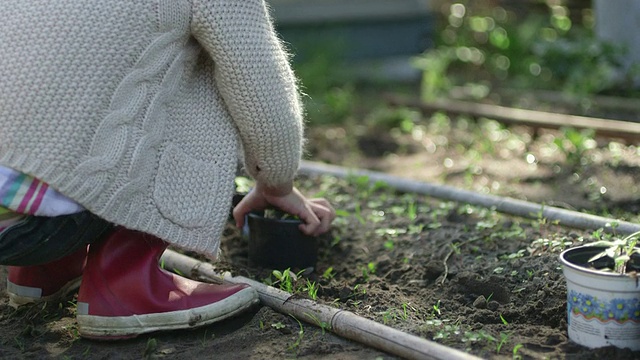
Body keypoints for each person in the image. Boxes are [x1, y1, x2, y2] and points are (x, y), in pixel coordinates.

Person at [0, 0, 336, 340]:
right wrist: (276, 183)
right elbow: (261, 83)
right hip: (40, 227)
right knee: (209, 67)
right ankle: (124, 283)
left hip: (13, 214)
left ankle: (41, 271)